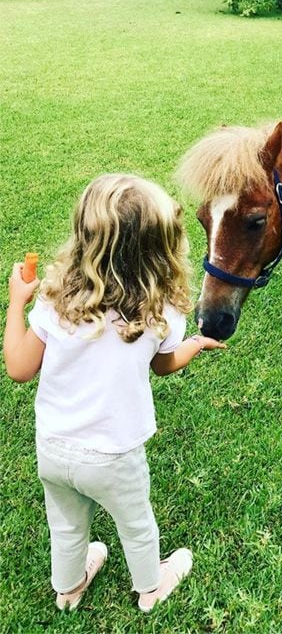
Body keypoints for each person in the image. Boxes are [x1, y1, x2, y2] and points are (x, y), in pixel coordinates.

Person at [3, 173, 225, 612]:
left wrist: (16, 303)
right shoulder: (159, 311)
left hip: (54, 447)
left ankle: (68, 588)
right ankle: (150, 587)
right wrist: (193, 345)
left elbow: (19, 368)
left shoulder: (54, 299)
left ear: (84, 238)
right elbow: (163, 365)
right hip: (115, 454)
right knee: (136, 522)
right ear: (159, 248)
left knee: (65, 524)